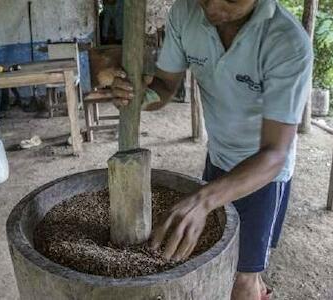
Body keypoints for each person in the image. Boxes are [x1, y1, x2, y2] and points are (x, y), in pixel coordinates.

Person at [110, 0, 313, 299]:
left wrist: (203, 201)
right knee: (217, 259)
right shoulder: (185, 13)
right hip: (218, 157)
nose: (213, 5)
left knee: (242, 278)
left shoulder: (287, 42)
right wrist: (137, 97)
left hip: (264, 175)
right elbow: (165, 86)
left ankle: (256, 288)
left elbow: (274, 153)